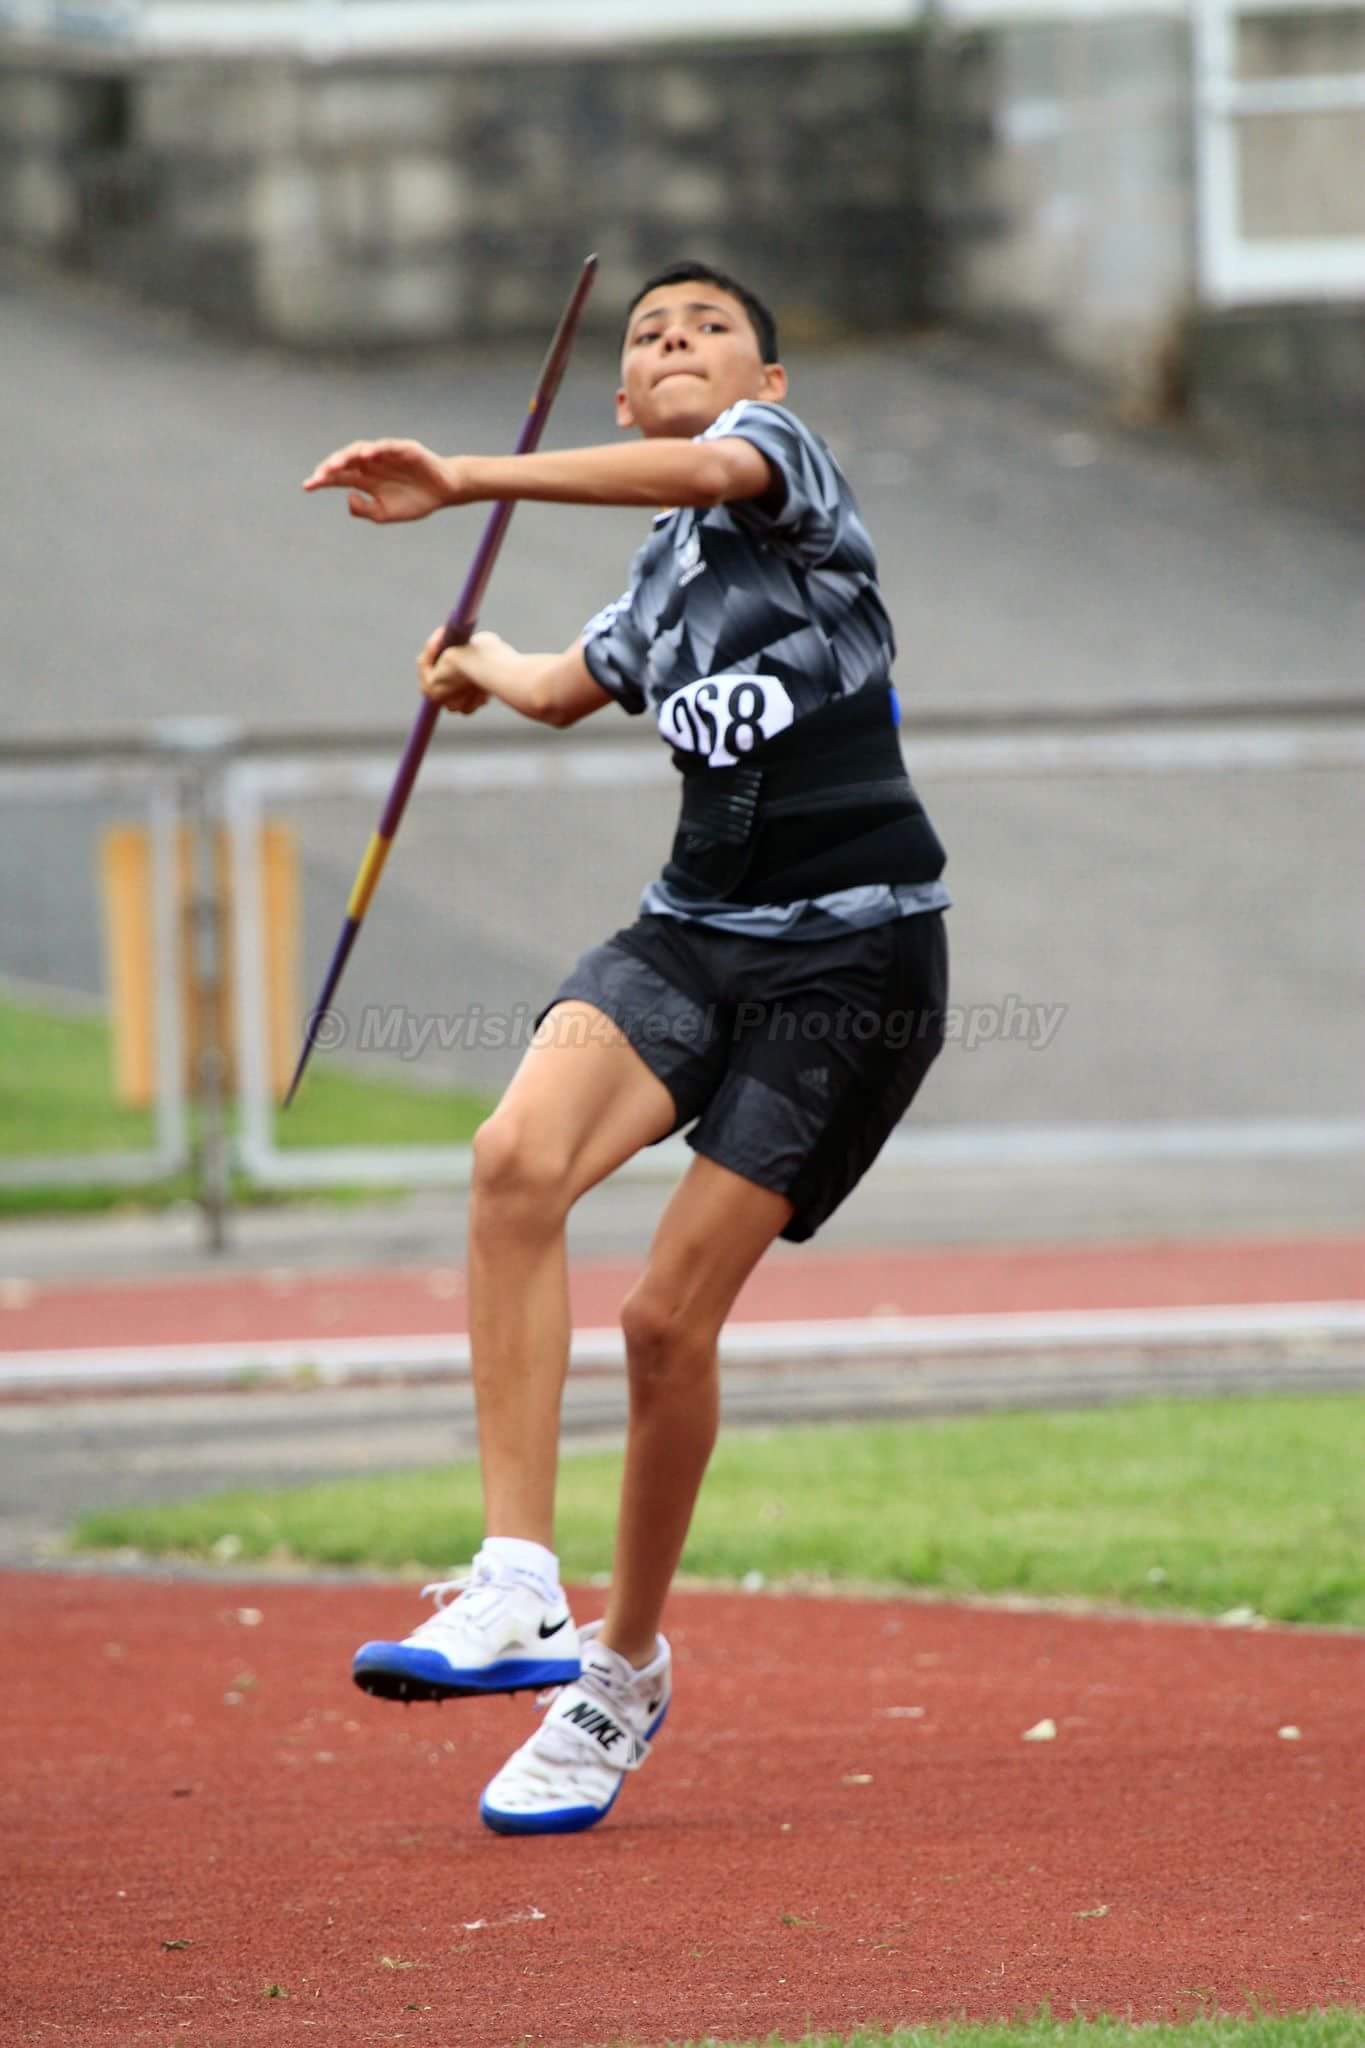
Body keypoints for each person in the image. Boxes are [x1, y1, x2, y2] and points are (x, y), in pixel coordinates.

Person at [302, 261, 950, 1836]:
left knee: (665, 1324)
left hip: (853, 955)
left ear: (766, 384)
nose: (675, 341)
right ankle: (517, 1577)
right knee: (512, 1163)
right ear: (615, 391)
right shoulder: (658, 582)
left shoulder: (780, 475)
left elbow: (698, 475)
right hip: (691, 938)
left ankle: (622, 1670)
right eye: (649, 333)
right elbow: (559, 687)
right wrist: (475, 665)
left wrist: (464, 478)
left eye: (709, 328)